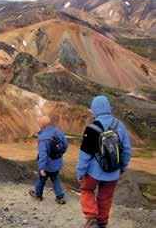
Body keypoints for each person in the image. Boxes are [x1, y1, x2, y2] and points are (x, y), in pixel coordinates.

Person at [77, 96, 131, 228]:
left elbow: (85, 154)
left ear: (94, 109)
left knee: (86, 189)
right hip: (113, 171)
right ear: (108, 107)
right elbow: (127, 151)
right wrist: (122, 167)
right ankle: (102, 223)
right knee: (105, 197)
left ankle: (91, 218)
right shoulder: (120, 125)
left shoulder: (92, 128)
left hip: (93, 172)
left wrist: (80, 172)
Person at [29, 116, 68, 205]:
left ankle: (38, 195)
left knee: (41, 179)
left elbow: (43, 154)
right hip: (57, 163)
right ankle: (60, 197)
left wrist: (42, 168)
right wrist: (59, 155)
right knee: (55, 178)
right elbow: (65, 145)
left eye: (39, 123)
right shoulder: (58, 132)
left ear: (42, 125)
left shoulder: (43, 137)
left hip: (47, 165)